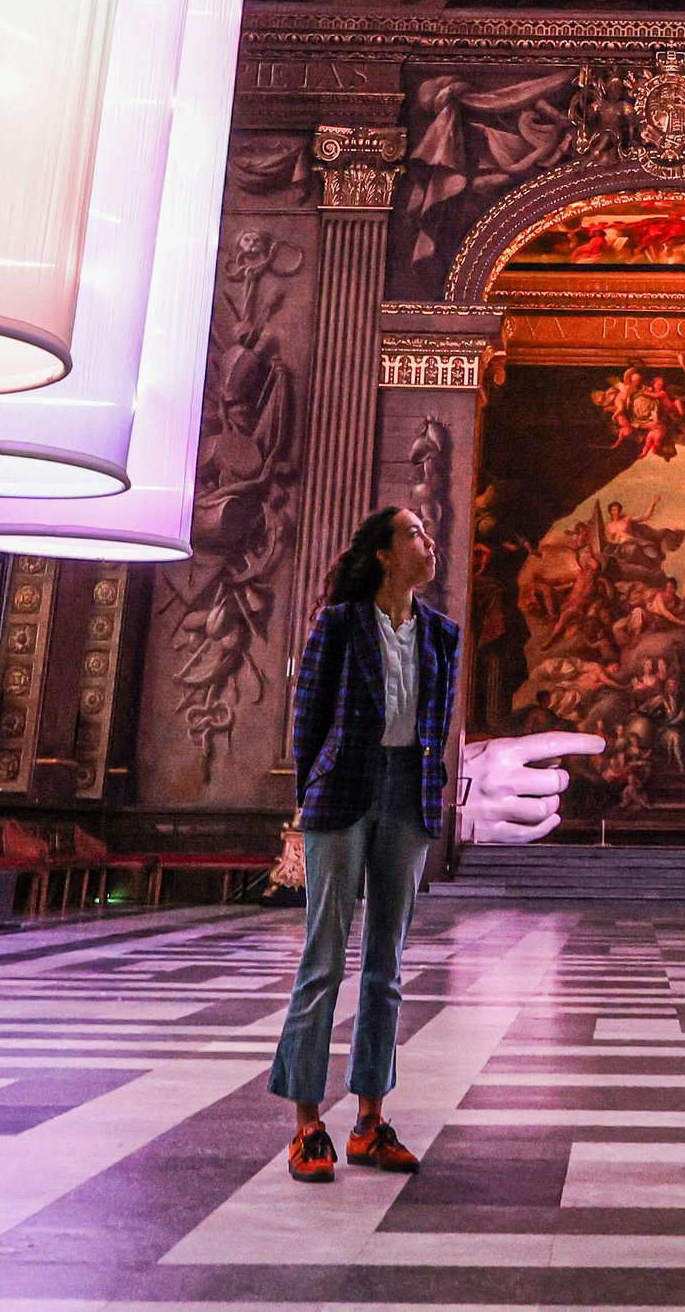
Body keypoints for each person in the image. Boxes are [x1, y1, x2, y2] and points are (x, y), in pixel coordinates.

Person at [271, 504, 457, 1183]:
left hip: (408, 790)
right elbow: (307, 717)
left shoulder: (442, 634)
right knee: (323, 955)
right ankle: (307, 1125)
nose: (428, 542)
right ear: (383, 552)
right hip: (343, 785)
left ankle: (370, 1123)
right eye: (415, 533)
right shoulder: (339, 623)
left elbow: (436, 721)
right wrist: (310, 792)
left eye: (427, 533)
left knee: (387, 964)